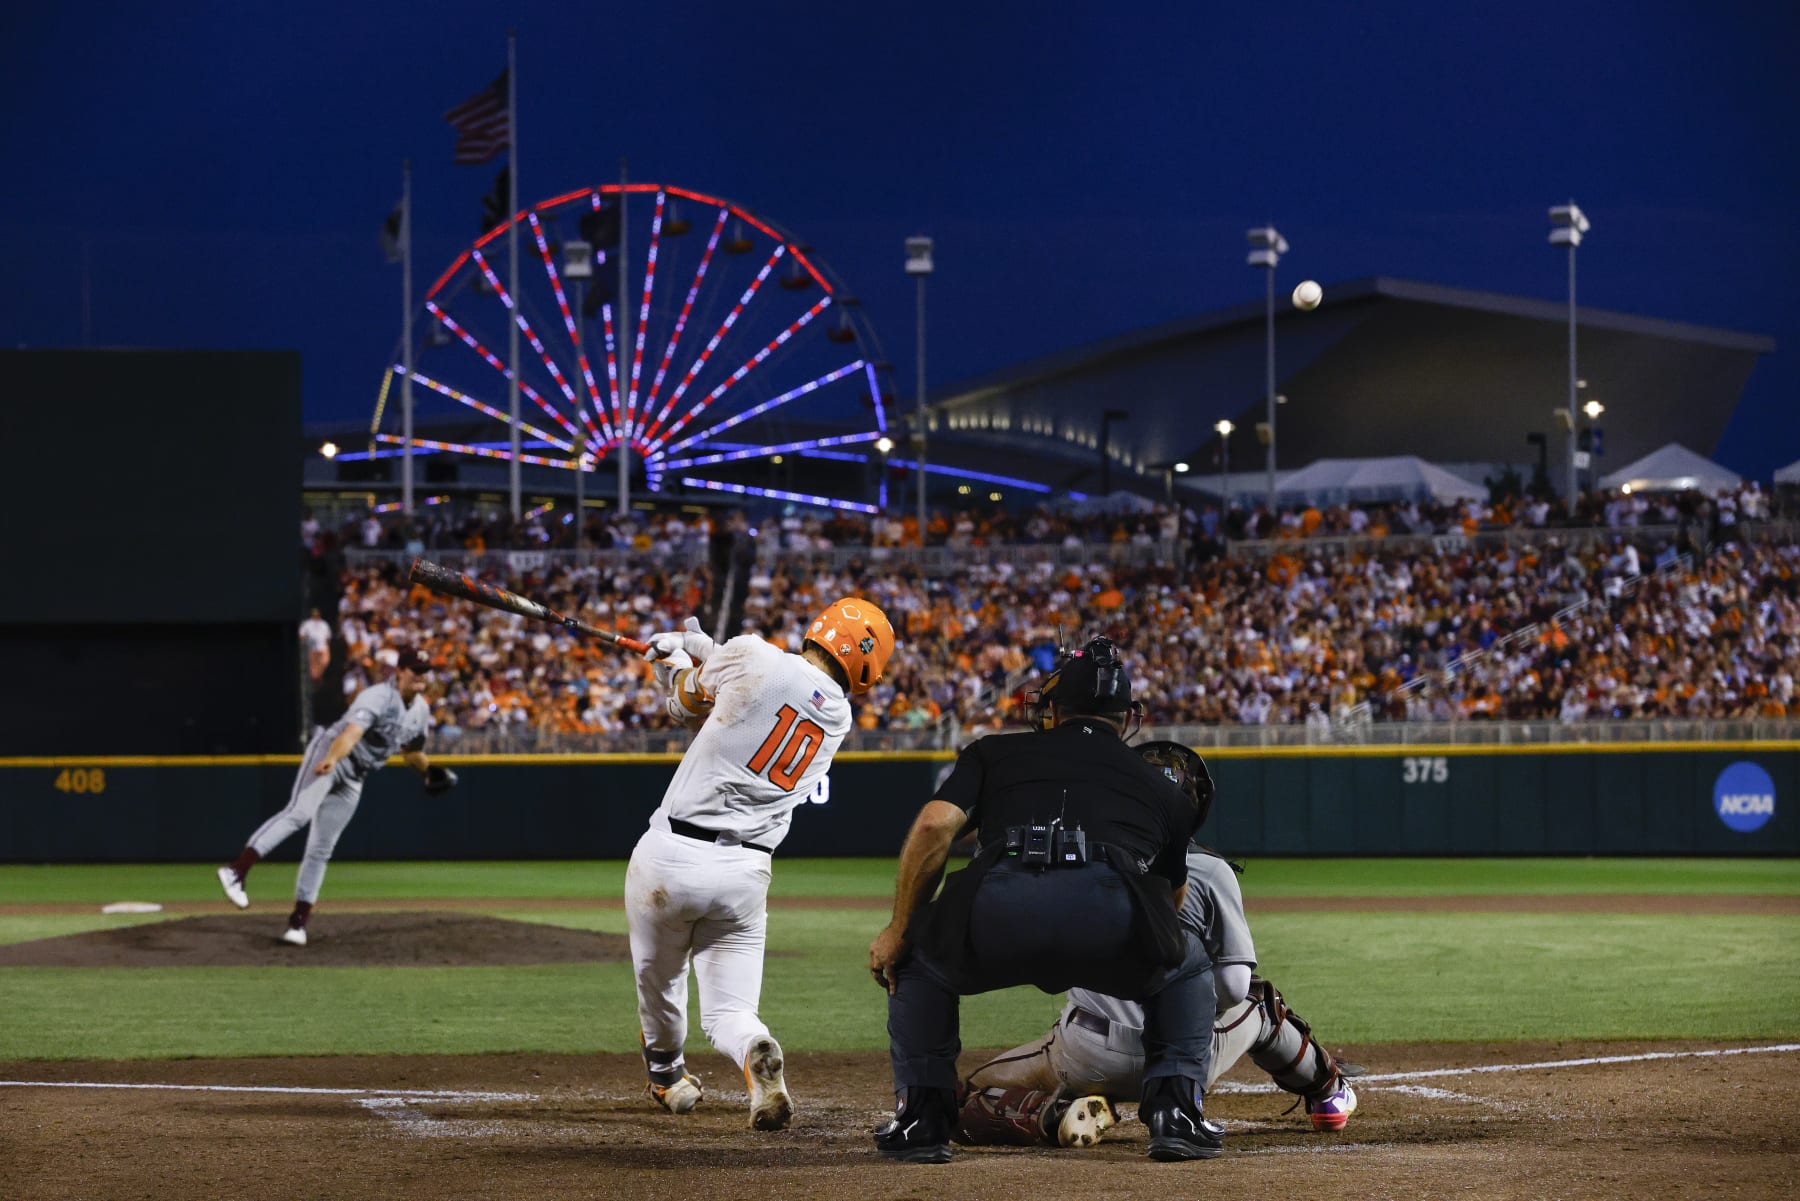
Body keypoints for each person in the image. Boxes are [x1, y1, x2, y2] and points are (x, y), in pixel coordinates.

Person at [867, 637, 1222, 1164]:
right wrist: (1123, 944)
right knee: (1187, 968)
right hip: (1111, 912)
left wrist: (901, 927)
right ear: (1127, 718)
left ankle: (922, 1117)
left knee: (917, 961)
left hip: (999, 903)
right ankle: (1176, 1113)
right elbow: (1171, 898)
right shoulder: (1162, 786)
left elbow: (934, 824)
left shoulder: (992, 751)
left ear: (1052, 710)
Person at [951, 739, 1362, 1149]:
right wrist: (1198, 1007)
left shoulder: (1080, 854)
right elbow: (1234, 986)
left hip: (1084, 1053)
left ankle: (1048, 1116)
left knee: (968, 1089)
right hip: (1183, 1060)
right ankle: (1328, 1094)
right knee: (1258, 1000)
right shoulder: (1210, 870)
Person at [629, 598, 897, 1131]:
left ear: (819, 628)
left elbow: (684, 707)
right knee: (730, 1012)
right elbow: (759, 687)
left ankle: (668, 1081)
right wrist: (705, 650)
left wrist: (672, 663)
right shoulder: (837, 716)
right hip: (746, 873)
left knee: (660, 983)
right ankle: (755, 1047)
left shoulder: (754, 655)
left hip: (671, 856)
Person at [215, 648, 454, 945]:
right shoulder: (377, 696)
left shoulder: (420, 711)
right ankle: (237, 871)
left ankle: (298, 924)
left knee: (322, 848)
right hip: (332, 756)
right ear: (400, 671)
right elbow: (351, 734)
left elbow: (411, 751)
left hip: (357, 775)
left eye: (424, 670)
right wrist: (332, 758)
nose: (421, 676)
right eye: (415, 669)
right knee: (298, 813)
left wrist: (428, 771)